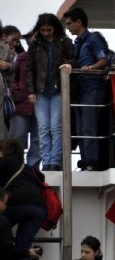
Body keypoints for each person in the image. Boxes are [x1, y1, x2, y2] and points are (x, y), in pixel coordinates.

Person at [62, 7, 109, 171]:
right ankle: (85, 160)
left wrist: (91, 67)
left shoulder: (93, 39)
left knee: (89, 126)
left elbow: (103, 60)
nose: (67, 27)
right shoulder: (77, 42)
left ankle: (92, 161)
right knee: (81, 128)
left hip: (92, 88)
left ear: (78, 23)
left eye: (69, 24)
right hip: (80, 90)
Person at [26, 13, 74, 171]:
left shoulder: (65, 41)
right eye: (43, 30)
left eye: (49, 30)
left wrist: (68, 65)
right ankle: (47, 162)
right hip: (40, 91)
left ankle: (55, 161)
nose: (46, 33)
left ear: (55, 28)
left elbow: (74, 58)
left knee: (55, 127)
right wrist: (31, 90)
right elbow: (29, 68)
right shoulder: (35, 43)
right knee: (43, 128)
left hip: (58, 89)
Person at [0, 138, 46, 254]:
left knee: (2, 234)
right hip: (39, 209)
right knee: (24, 247)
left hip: (17, 204)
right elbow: (41, 178)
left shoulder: (4, 162)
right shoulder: (29, 169)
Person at [9, 31, 41, 169]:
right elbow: (13, 79)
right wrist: (18, 94)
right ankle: (17, 167)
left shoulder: (46, 58)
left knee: (37, 139)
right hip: (21, 105)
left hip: (40, 105)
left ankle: (33, 168)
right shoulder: (21, 58)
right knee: (18, 137)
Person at [0, 186, 42, 259]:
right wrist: (28, 253)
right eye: (5, 202)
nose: (5, 207)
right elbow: (8, 251)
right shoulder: (2, 221)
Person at [0, 26, 18, 139]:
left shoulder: (6, 49)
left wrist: (8, 66)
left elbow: (13, 73)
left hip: (1, 93)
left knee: (2, 131)